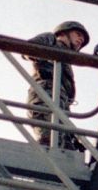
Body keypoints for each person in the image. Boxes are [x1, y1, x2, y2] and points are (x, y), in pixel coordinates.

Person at [25, 20, 89, 150]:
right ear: (64, 32)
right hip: (45, 96)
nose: (81, 39)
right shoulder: (51, 40)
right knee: (49, 143)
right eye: (78, 34)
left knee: (66, 147)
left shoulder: (65, 60)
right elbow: (28, 49)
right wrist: (46, 56)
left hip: (60, 103)